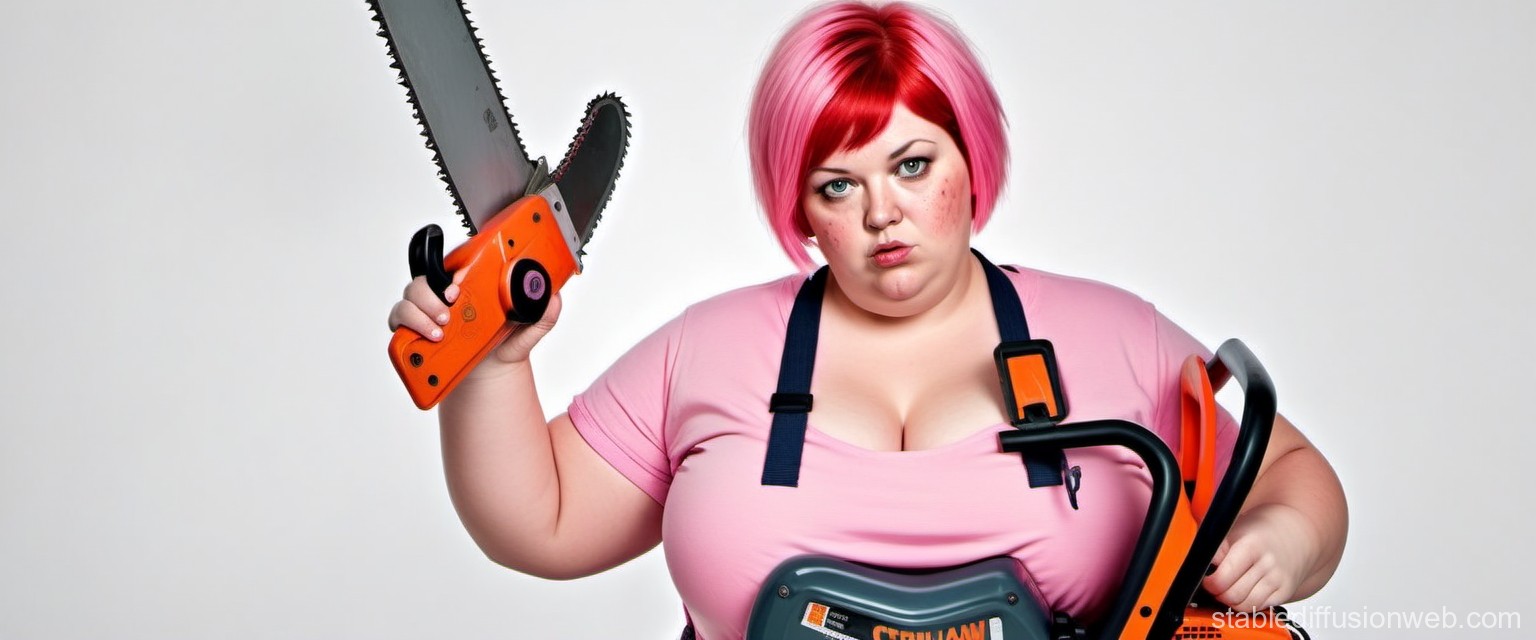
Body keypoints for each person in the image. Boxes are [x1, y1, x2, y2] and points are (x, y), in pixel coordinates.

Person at [387, 2, 1348, 638]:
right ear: (798, 205)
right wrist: (493, 367)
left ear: (972, 158)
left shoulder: (1114, 336)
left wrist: (1288, 543)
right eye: (838, 185)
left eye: (914, 166)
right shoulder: (709, 349)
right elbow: (540, 524)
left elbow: (1300, 478)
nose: (882, 213)